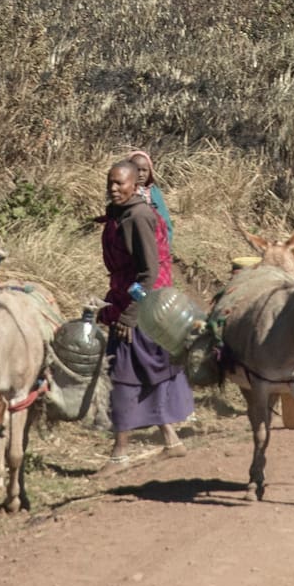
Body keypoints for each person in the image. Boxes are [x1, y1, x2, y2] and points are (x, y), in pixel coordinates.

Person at [98, 155, 193, 469]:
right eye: (110, 182)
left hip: (140, 304)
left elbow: (149, 272)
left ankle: (119, 453)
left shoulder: (138, 217)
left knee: (123, 376)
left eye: (119, 183)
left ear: (135, 184)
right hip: (129, 299)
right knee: (145, 372)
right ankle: (171, 439)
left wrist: (129, 314)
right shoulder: (120, 213)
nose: (113, 188)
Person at [123, 145, 174, 248]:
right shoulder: (123, 192)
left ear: (150, 171)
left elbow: (164, 220)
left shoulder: (154, 192)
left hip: (155, 242)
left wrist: (165, 243)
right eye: (137, 170)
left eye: (144, 170)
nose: (141, 174)